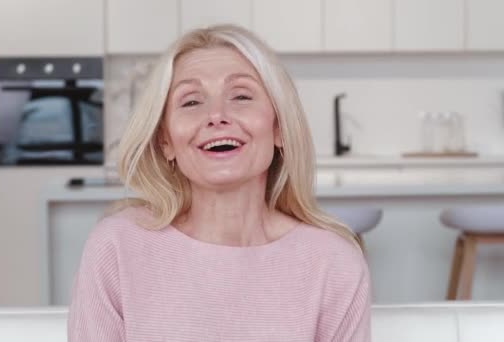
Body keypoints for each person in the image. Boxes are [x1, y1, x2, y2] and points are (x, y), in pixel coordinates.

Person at [68, 24, 371, 342]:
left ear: (279, 127)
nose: (216, 116)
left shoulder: (333, 262)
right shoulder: (117, 246)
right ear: (166, 141)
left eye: (240, 96)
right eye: (191, 102)